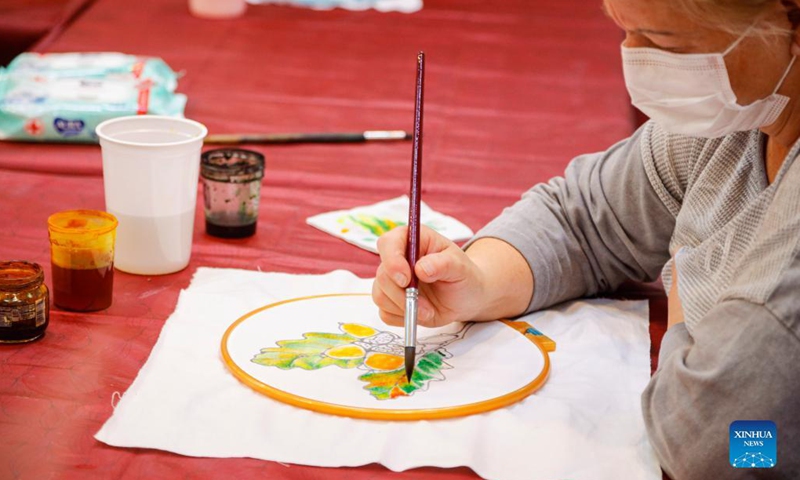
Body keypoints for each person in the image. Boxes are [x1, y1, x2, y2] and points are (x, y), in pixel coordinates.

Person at [371, 0, 800, 478]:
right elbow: (584, 217)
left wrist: (686, 276)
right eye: (623, 31)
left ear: (792, 22)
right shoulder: (741, 117)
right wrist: (479, 279)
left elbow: (725, 453)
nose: (634, 61)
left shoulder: (787, 279)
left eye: (662, 43)